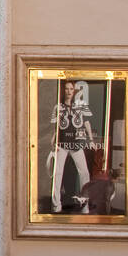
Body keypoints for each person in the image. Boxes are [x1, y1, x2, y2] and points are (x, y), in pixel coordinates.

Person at [49, 79, 93, 213]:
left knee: (84, 173)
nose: (68, 91)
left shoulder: (80, 105)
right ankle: (56, 205)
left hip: (76, 143)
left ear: (74, 91)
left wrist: (90, 139)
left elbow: (86, 123)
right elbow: (56, 127)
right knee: (57, 173)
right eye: (66, 89)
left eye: (71, 89)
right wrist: (52, 141)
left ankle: (85, 205)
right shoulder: (58, 106)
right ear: (64, 91)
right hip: (62, 144)